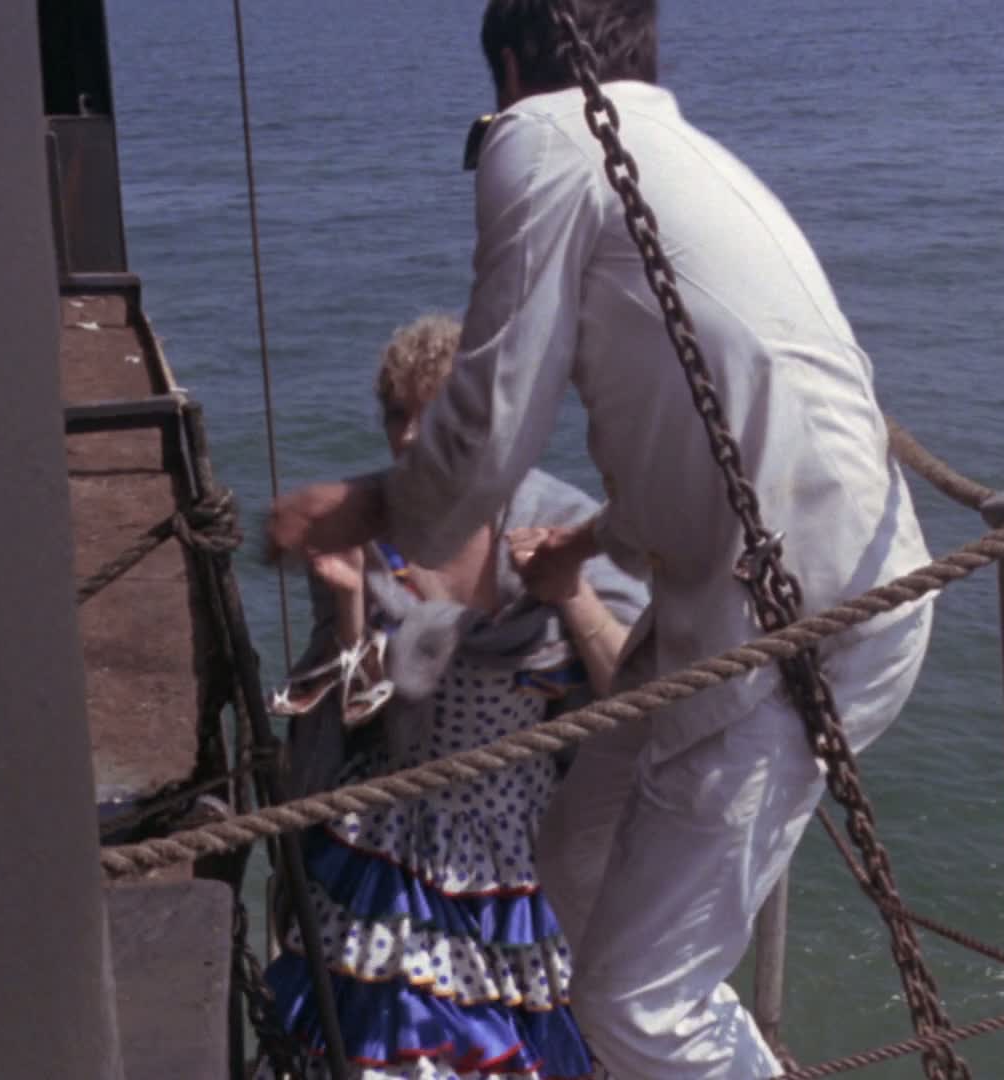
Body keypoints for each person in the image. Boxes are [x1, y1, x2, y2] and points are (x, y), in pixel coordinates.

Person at [263, 2, 937, 1076]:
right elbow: (707, 434)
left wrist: (370, 504)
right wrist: (587, 547)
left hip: (796, 620)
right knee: (575, 856)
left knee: (638, 1002)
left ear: (510, 69)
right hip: (775, 585)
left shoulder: (541, 134)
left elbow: (491, 426)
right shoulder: (684, 158)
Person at [262, 313, 649, 1080]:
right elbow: (358, 711)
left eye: (431, 415)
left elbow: (636, 696)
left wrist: (570, 590)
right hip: (389, 830)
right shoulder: (364, 533)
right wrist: (348, 602)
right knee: (385, 1041)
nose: (408, 436)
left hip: (522, 841)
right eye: (395, 413)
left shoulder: (564, 523)